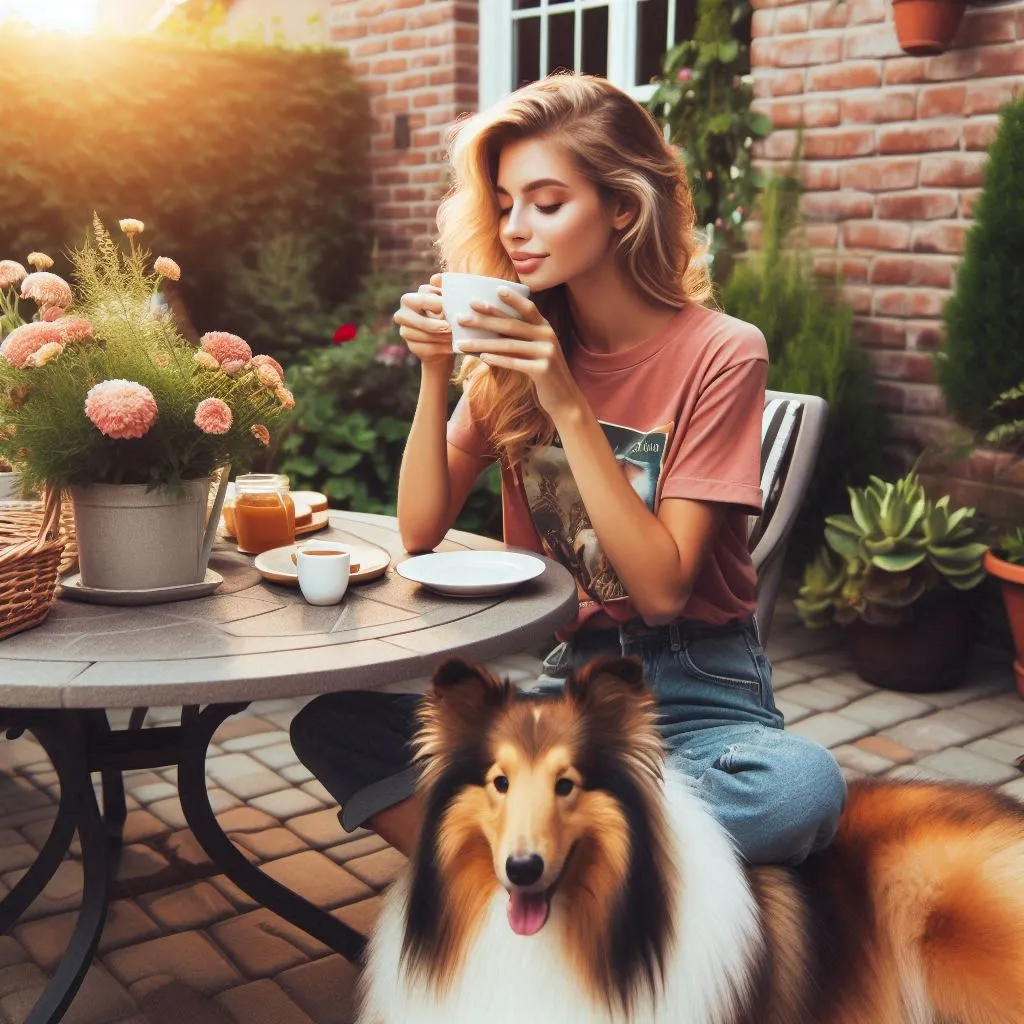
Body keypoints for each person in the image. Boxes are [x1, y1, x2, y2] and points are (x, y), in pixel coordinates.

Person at [290, 72, 846, 867]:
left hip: (699, 687)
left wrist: (567, 399)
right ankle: (571, 872)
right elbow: (418, 528)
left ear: (622, 207)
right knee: (334, 722)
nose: (517, 228)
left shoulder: (721, 352)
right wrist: (435, 372)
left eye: (547, 203)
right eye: (507, 203)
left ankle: (531, 868)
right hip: (571, 688)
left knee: (797, 788)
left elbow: (660, 593)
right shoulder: (513, 350)